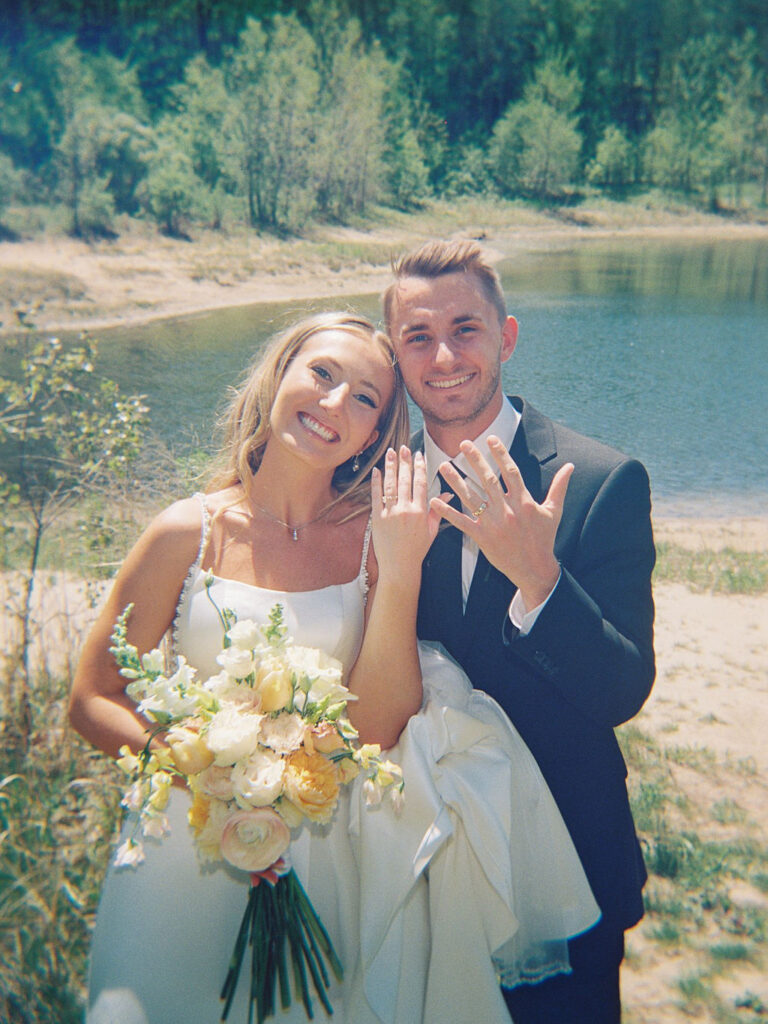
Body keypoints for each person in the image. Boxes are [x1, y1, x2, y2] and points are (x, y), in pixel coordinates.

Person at [70, 311, 598, 1024]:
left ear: (376, 434)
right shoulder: (183, 532)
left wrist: (403, 563)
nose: (332, 405)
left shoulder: (371, 544)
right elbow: (91, 697)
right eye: (321, 374)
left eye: (364, 400)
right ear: (278, 374)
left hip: (319, 858)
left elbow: (379, 726)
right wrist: (202, 773)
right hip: (176, 850)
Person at [383, 239, 656, 1023]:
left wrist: (539, 579)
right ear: (396, 356)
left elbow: (620, 690)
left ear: (506, 336)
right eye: (418, 337)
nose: (444, 357)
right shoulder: (373, 489)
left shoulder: (602, 480)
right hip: (416, 874)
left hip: (566, 872)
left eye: (466, 329)